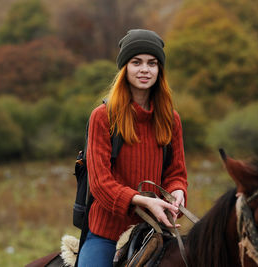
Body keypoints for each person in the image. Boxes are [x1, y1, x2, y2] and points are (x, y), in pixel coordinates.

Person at [78, 29, 188, 267]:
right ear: (124, 68)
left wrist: (177, 191)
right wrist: (144, 201)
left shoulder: (171, 119)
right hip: (106, 233)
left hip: (154, 231)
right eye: (136, 62)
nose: (145, 69)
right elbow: (100, 184)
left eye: (152, 63)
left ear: (160, 70)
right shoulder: (103, 117)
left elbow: (176, 174)